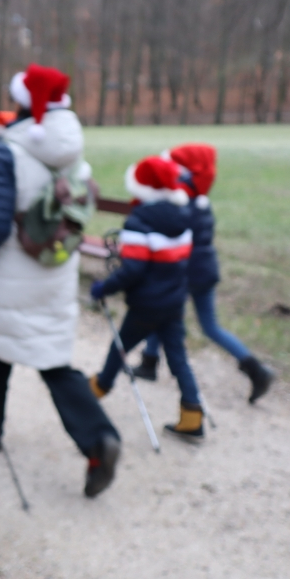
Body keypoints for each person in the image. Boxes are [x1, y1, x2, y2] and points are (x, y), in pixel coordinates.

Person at [0, 65, 121, 498]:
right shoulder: (73, 148)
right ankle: (96, 439)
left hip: (10, 273)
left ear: (23, 101)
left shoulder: (7, 151)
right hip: (53, 270)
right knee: (51, 359)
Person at [132, 144, 275, 404]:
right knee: (209, 326)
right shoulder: (200, 199)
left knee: (162, 314)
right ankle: (255, 369)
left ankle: (150, 364)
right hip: (205, 271)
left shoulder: (181, 203)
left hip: (187, 273)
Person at [89, 155, 205, 442]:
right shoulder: (183, 216)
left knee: (119, 346)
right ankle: (192, 415)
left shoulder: (139, 221)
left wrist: (103, 288)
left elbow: (133, 269)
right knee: (178, 358)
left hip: (146, 305)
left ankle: (99, 388)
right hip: (174, 302)